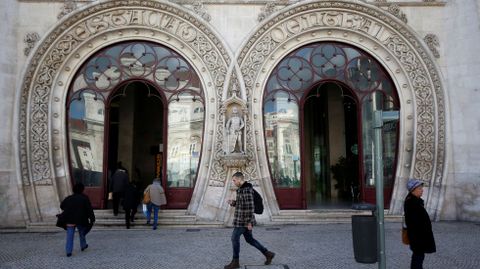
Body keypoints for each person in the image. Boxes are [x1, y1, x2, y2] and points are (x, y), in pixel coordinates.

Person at [224, 172, 275, 269]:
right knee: (250, 240)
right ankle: (268, 254)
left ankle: (235, 261)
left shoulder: (246, 190)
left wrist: (249, 223)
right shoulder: (242, 189)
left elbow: (250, 207)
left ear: (239, 179)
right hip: (242, 219)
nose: (234, 182)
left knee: (234, 238)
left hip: (243, 221)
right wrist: (233, 203)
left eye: (234, 180)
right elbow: (243, 204)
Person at [404, 178, 436, 269]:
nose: (422, 190)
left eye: (422, 188)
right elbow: (415, 222)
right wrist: (423, 232)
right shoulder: (412, 202)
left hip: (418, 236)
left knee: (418, 256)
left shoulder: (414, 200)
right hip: (418, 236)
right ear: (413, 190)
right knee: (418, 257)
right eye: (419, 188)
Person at [60, 182, 95, 257]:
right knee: (82, 233)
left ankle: (68, 251)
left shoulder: (68, 198)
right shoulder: (84, 198)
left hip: (70, 219)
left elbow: (62, 206)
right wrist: (92, 218)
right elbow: (89, 209)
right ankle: (83, 245)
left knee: (70, 235)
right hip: (81, 219)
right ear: (82, 190)